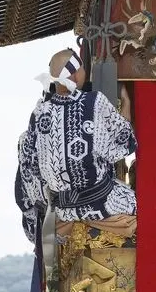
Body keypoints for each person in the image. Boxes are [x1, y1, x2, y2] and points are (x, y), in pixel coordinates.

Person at [16, 48, 136, 242]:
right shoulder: (93, 102)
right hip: (101, 203)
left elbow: (30, 165)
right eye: (81, 68)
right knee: (151, 209)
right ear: (75, 75)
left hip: (62, 210)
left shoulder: (39, 113)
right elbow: (122, 143)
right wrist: (126, 99)